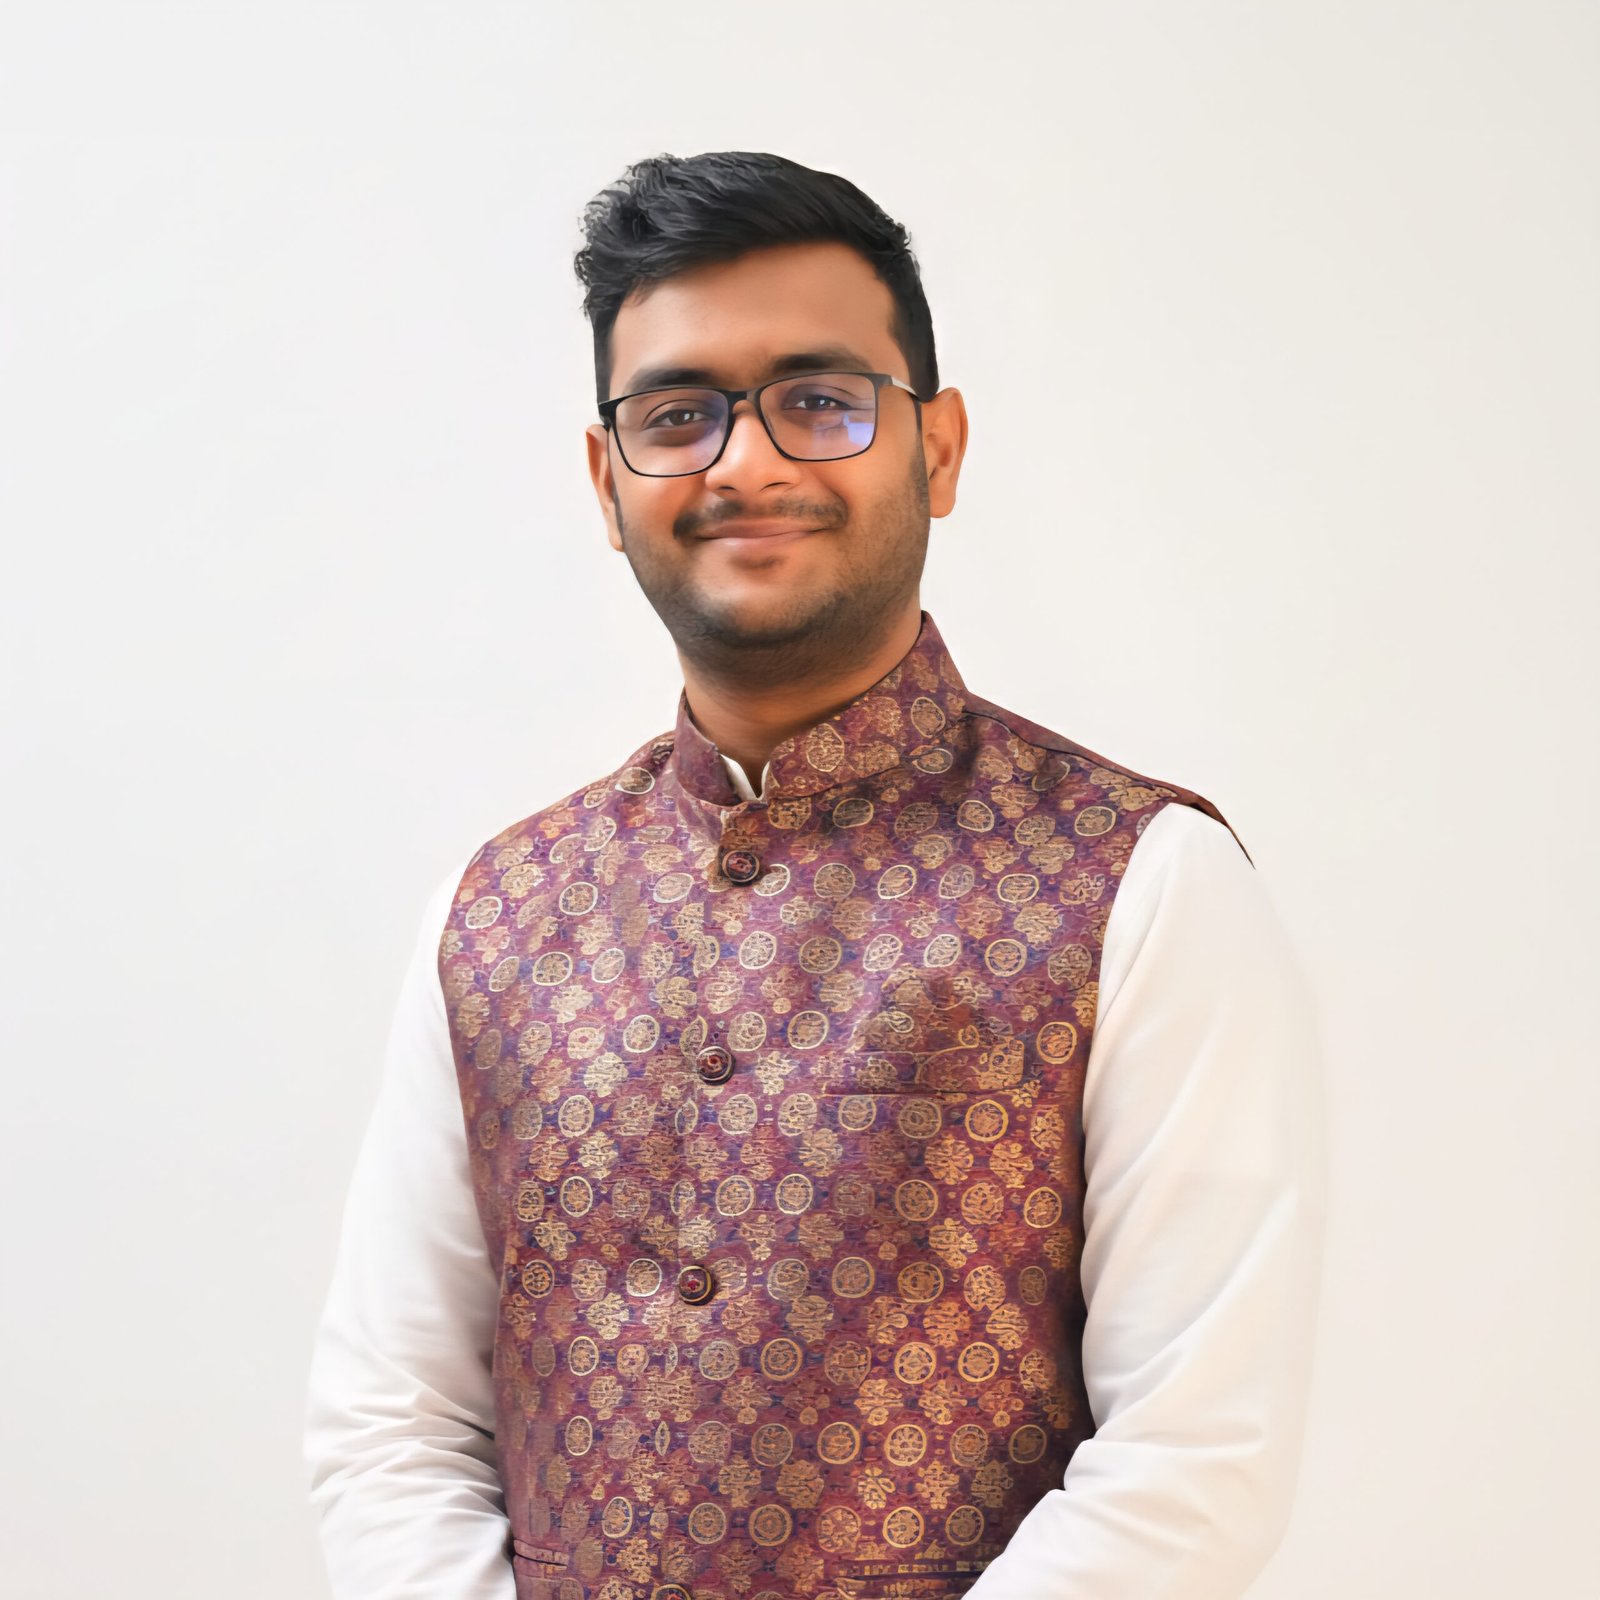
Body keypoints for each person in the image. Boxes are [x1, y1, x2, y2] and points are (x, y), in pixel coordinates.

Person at [303, 150, 1327, 1600]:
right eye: (678, 416)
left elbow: (1193, 1459)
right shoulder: (497, 914)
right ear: (608, 482)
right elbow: (391, 1420)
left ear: (939, 450)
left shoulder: (1143, 884)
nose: (746, 463)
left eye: (821, 401)